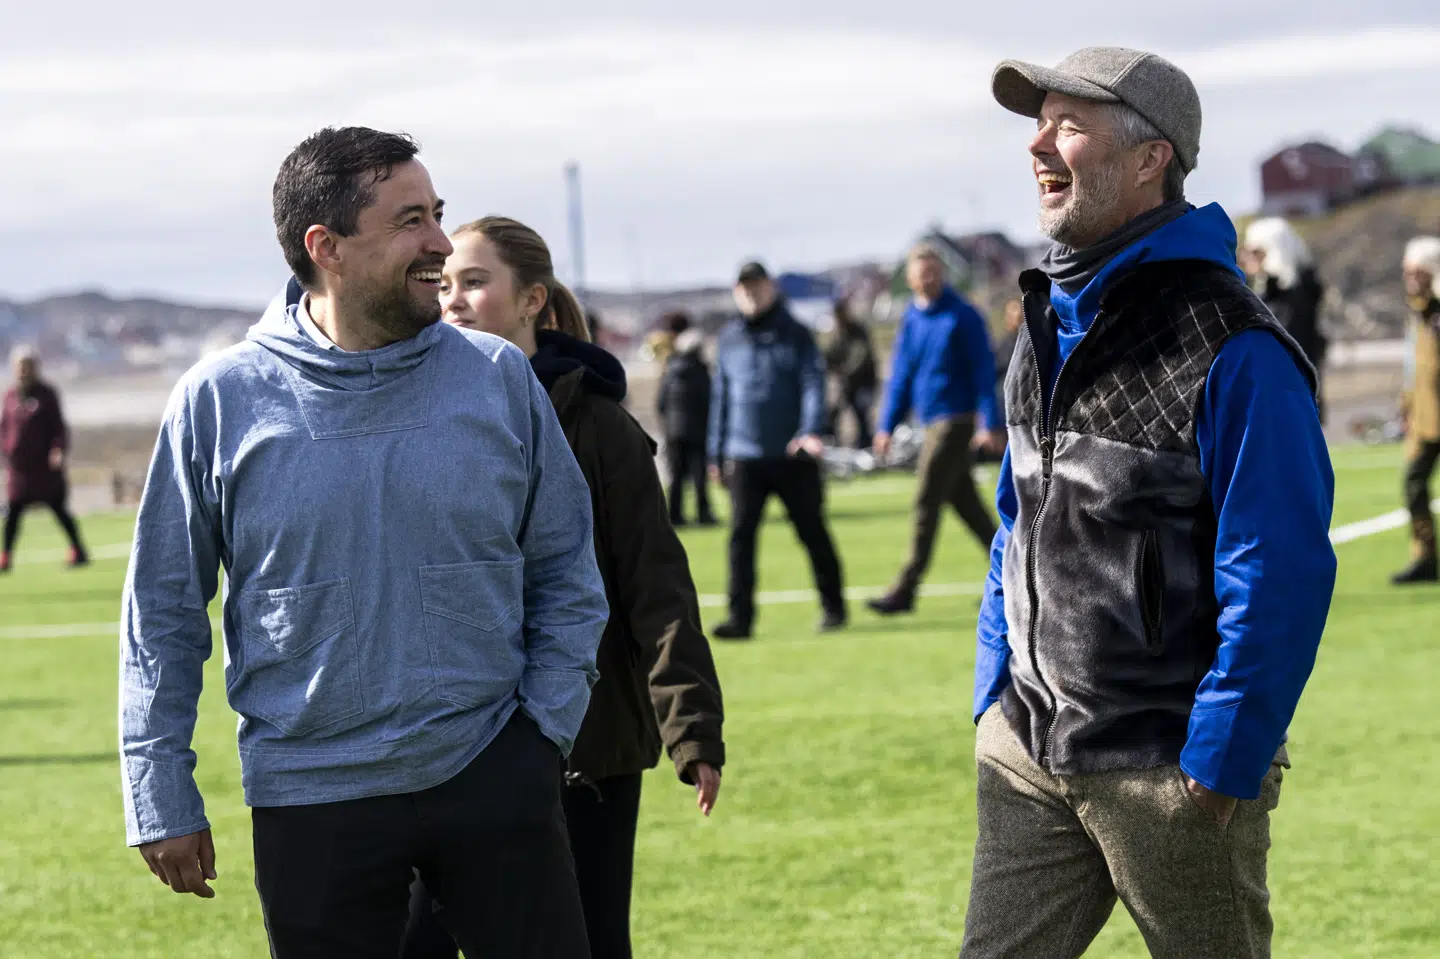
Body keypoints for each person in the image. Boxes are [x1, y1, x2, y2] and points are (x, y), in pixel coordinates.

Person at [119, 128, 608, 959]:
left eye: (439, 215)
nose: (441, 244)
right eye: (410, 220)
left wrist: (540, 737)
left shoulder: (495, 377)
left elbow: (566, 567)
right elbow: (162, 611)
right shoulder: (218, 399)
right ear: (326, 247)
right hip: (312, 802)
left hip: (493, 772)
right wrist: (158, 788)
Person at [964, 49, 1337, 958]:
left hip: (1172, 766)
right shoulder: (1043, 319)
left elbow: (1278, 569)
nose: (1039, 145)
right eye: (1038, 122)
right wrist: (991, 697)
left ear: (1149, 159)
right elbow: (1017, 524)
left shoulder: (1235, 345)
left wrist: (1218, 761)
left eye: (1069, 124)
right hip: (1029, 747)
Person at [429, 216, 726, 958]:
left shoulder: (599, 426)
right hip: (447, 742)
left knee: (588, 942)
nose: (453, 299)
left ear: (533, 298)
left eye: (473, 280)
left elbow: (656, 585)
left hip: (588, 745)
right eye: (442, 284)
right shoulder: (417, 419)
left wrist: (691, 727)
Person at [708, 261, 846, 639]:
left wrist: (810, 430)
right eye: (744, 288)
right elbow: (721, 396)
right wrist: (715, 453)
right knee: (740, 539)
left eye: (757, 286)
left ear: (770, 287)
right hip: (743, 455)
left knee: (812, 530)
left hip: (791, 454)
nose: (751, 294)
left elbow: (812, 383)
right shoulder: (729, 338)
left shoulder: (796, 334)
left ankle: (833, 606)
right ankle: (740, 619)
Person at [867, 246, 1001, 615]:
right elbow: (902, 375)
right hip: (929, 421)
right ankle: (1015, 572)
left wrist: (989, 420)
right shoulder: (911, 318)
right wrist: (886, 425)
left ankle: (905, 588)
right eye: (921, 273)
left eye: (934, 272)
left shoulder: (963, 315)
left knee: (926, 500)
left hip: (954, 421)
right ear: (909, 278)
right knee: (968, 507)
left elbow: (983, 370)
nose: (928, 279)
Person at [1, 347, 88, 572]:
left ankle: (78, 550)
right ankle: (6, 556)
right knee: (13, 513)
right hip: (19, 470)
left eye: (27, 366)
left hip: (44, 468)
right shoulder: (10, 395)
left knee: (59, 509)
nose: (23, 371)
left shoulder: (47, 394)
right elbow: (4, 428)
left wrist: (58, 450)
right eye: (20, 366)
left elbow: (59, 427)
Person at [1242, 217, 1328, 421]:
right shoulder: (1284, 292)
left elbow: (1284, 345)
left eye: (1255, 251)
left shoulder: (1290, 296)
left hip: (1287, 394)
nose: (1246, 258)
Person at [1393, 236, 1440, 584]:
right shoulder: (1418, 312)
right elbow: (1413, 366)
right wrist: (1406, 406)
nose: (1410, 277)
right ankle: (1425, 557)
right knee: (1413, 485)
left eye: (1417, 271)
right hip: (1426, 419)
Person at [656, 312, 716, 526]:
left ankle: (674, 515)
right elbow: (709, 401)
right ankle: (703, 514)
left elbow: (661, 403)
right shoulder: (701, 371)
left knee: (676, 477)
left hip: (673, 431)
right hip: (698, 430)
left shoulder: (670, 369)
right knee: (699, 476)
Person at [822, 298, 879, 450]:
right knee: (833, 413)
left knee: (861, 412)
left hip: (864, 383)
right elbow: (830, 354)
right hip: (847, 383)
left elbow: (861, 356)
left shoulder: (858, 331)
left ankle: (865, 447)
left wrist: (845, 371)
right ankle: (834, 444)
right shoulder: (838, 333)